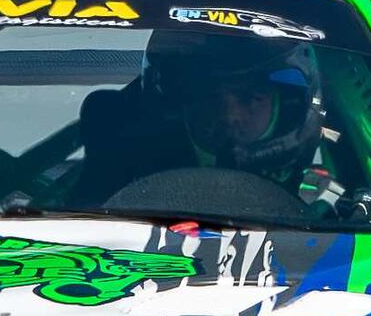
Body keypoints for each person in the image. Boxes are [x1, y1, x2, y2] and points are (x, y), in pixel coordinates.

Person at [69, 19, 331, 212]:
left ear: (287, 104)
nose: (230, 117)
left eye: (251, 98)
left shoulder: (336, 205)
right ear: (181, 106)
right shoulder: (115, 185)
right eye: (209, 98)